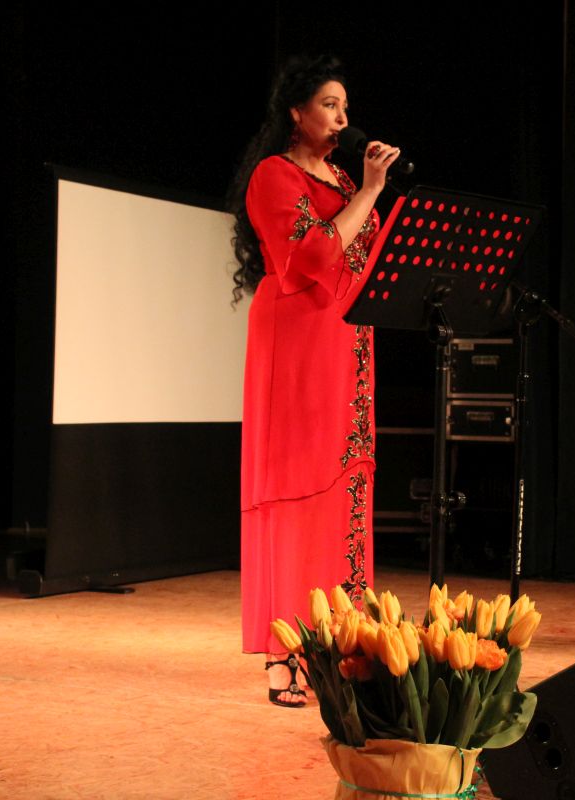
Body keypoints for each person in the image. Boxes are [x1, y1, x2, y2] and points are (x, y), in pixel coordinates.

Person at [227, 55, 401, 707]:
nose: (342, 118)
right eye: (330, 105)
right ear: (296, 112)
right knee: (296, 488)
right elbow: (312, 255)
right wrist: (370, 193)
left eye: (346, 107)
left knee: (344, 483)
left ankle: (343, 644)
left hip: (346, 340)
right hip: (296, 341)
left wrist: (370, 196)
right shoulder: (275, 175)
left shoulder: (344, 178)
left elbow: (367, 255)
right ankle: (284, 654)